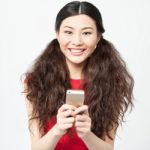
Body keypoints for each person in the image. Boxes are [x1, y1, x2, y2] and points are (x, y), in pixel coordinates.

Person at [23, 1, 134, 150]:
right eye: (68, 32)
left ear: (98, 37)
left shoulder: (113, 83)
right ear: (57, 34)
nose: (77, 42)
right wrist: (57, 130)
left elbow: (108, 148)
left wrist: (86, 134)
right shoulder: (35, 82)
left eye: (87, 33)